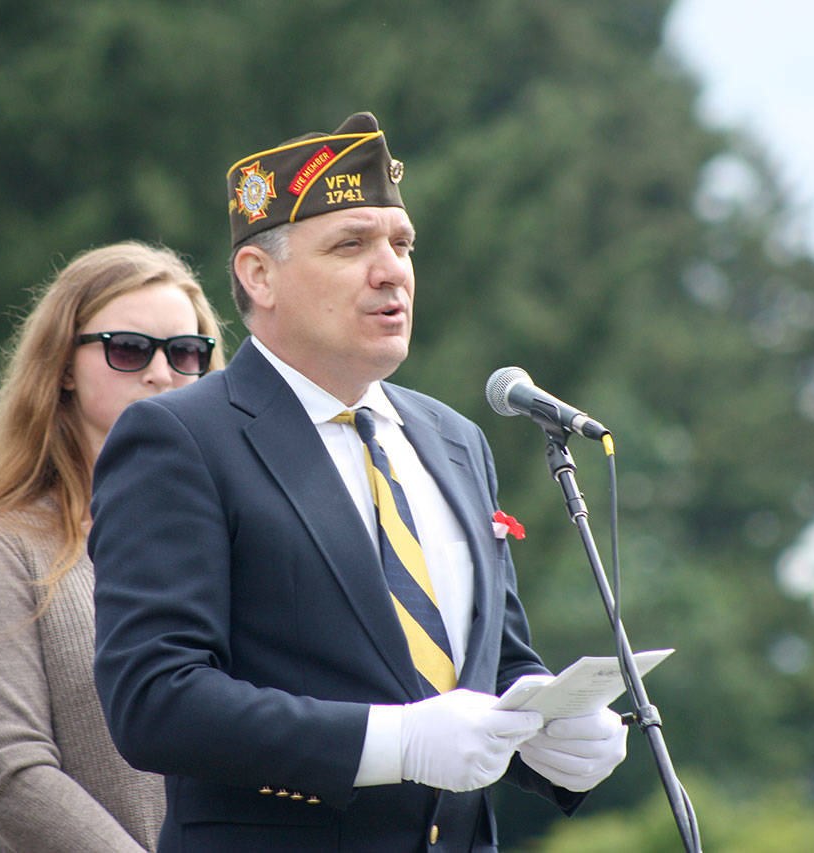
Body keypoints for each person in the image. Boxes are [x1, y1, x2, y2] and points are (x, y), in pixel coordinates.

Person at [89, 112, 629, 852]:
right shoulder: (181, 438)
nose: (392, 270)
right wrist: (394, 740)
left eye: (402, 244)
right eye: (351, 245)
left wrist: (552, 729)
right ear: (258, 275)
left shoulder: (454, 439)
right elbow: (155, 701)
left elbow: (492, 662)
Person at [0, 241, 226, 852]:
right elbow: (8, 771)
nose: (162, 373)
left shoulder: (238, 540)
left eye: (187, 353)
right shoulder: (4, 550)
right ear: (63, 366)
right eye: (128, 349)